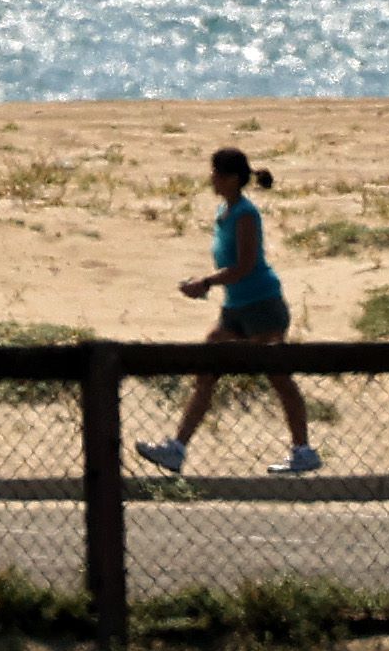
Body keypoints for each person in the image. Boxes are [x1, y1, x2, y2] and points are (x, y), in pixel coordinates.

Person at [136, 146, 320, 476]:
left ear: (233, 179)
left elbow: (246, 265)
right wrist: (205, 283)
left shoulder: (245, 214)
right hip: (235, 308)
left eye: (217, 173)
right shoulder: (225, 211)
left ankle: (303, 451)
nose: (212, 179)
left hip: (262, 306)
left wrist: (205, 282)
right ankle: (177, 448)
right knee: (206, 369)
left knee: (279, 377)